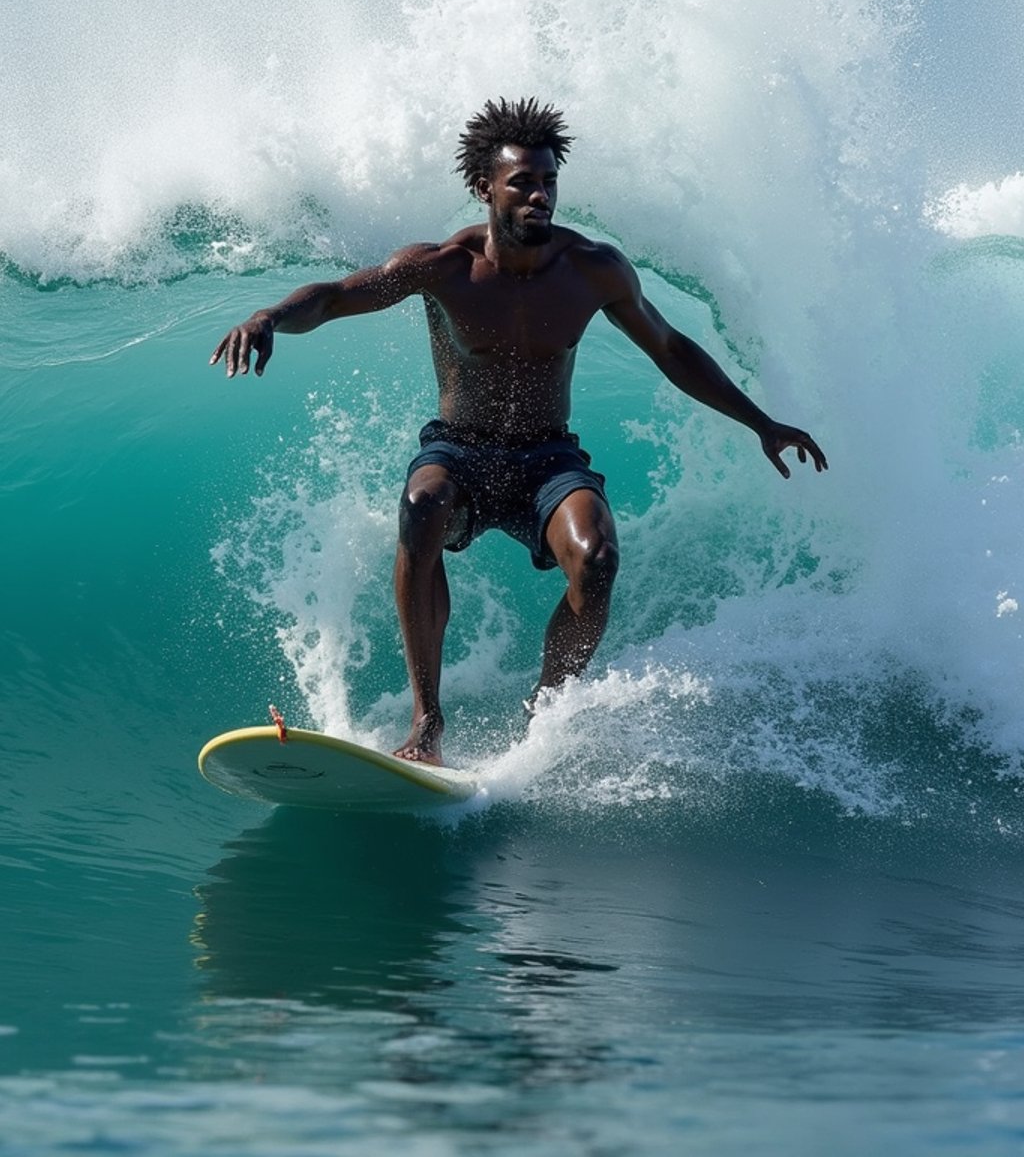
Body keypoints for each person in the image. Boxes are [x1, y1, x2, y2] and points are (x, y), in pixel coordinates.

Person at [211, 97, 827, 765]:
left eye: (549, 182)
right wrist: (270, 315)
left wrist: (760, 422)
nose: (541, 194)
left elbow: (670, 348)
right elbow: (334, 296)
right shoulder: (443, 267)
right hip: (460, 450)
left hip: (547, 458)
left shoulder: (594, 269)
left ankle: (545, 719)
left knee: (597, 559)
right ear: (486, 188)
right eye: (523, 183)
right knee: (422, 509)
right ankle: (427, 724)